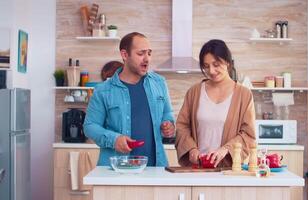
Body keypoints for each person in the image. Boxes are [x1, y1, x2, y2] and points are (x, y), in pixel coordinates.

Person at [84, 32, 175, 166]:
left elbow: (167, 113)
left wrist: (169, 125)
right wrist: (114, 140)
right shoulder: (103, 90)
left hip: (156, 168)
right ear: (125, 55)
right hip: (117, 169)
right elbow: (90, 126)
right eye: (141, 53)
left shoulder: (159, 83)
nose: (147, 59)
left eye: (149, 53)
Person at [175, 39, 256, 167]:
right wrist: (191, 149)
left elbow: (248, 134)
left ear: (228, 63)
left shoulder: (244, 95)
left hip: (228, 170)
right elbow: (182, 126)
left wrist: (226, 149)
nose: (211, 71)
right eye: (206, 66)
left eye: (216, 64)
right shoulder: (194, 92)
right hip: (197, 168)